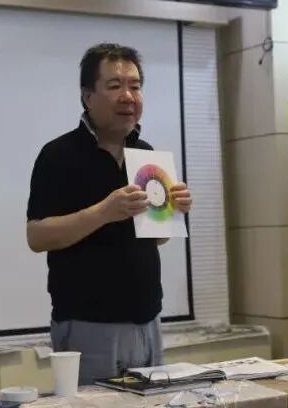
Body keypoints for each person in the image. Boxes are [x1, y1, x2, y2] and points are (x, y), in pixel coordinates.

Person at [25, 43, 192, 384]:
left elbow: (155, 238)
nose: (128, 96)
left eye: (135, 86)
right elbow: (37, 236)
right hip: (89, 325)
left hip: (148, 320)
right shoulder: (59, 155)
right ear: (88, 97)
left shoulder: (146, 153)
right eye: (115, 86)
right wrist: (104, 211)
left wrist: (172, 210)